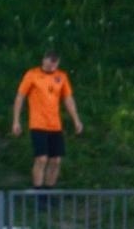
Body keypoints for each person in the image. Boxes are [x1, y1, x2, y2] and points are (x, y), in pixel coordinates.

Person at [11, 51, 82, 189]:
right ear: (44, 60)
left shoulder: (61, 76)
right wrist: (16, 120)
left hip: (55, 124)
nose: (52, 65)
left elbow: (68, 99)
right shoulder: (32, 75)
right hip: (38, 123)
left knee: (56, 160)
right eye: (50, 61)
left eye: (55, 62)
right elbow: (20, 97)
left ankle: (50, 190)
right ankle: (38, 191)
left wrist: (76, 119)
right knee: (41, 158)